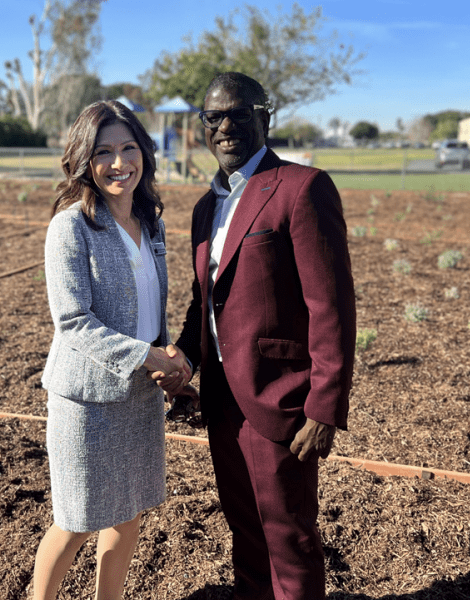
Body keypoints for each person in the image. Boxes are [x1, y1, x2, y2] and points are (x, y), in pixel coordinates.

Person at [157, 72, 356, 600]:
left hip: (281, 400)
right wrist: (184, 360)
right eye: (213, 117)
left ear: (265, 117)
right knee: (244, 533)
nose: (225, 126)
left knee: (288, 540)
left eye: (239, 113)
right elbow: (206, 302)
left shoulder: (302, 188)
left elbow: (330, 308)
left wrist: (323, 407)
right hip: (223, 404)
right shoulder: (206, 207)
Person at [34, 100, 190, 600]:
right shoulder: (70, 228)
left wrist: (167, 355)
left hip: (139, 396)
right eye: (104, 152)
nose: (119, 162)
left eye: (128, 148)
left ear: (144, 152)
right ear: (85, 160)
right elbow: (73, 322)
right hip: (88, 401)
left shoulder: (153, 223)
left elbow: (152, 308)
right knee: (77, 519)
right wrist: (149, 357)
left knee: (129, 513)